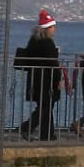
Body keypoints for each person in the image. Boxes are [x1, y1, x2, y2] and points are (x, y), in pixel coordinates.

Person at [16, 10, 62, 141]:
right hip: (47, 79)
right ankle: (30, 128)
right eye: (53, 27)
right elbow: (53, 63)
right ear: (48, 28)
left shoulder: (33, 41)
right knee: (46, 107)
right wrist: (58, 79)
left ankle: (46, 133)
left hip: (35, 78)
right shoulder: (48, 43)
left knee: (44, 106)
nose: (55, 29)